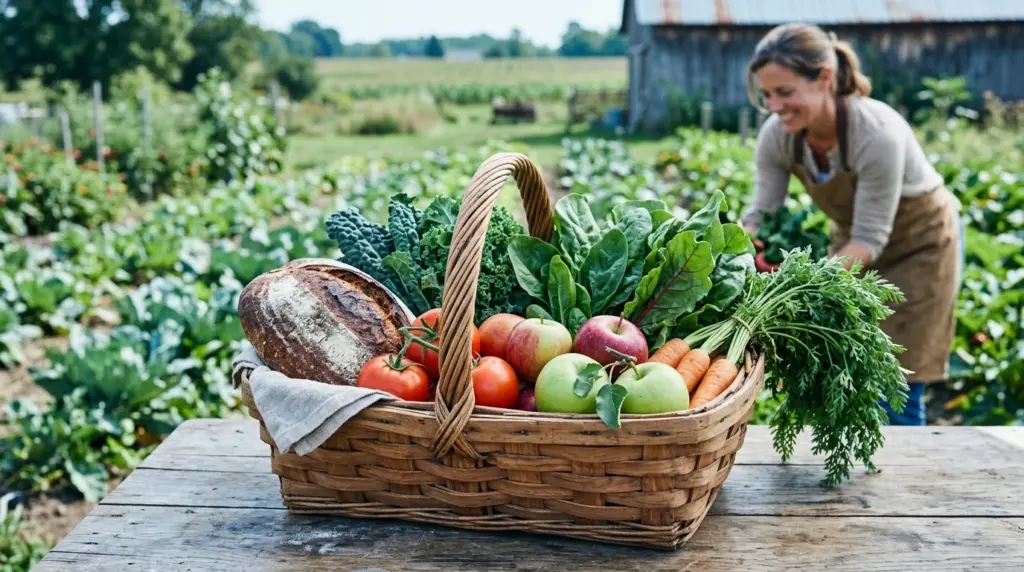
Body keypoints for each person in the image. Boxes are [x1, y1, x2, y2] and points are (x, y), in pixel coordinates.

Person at [740, 23, 964, 426]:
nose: (774, 106)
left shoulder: (877, 134)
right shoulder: (778, 136)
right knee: (843, 371)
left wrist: (801, 286)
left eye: (785, 92)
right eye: (767, 95)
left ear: (824, 78)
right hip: (849, 249)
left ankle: (901, 478)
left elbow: (870, 237)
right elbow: (760, 214)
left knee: (898, 381)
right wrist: (742, 253)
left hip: (920, 249)